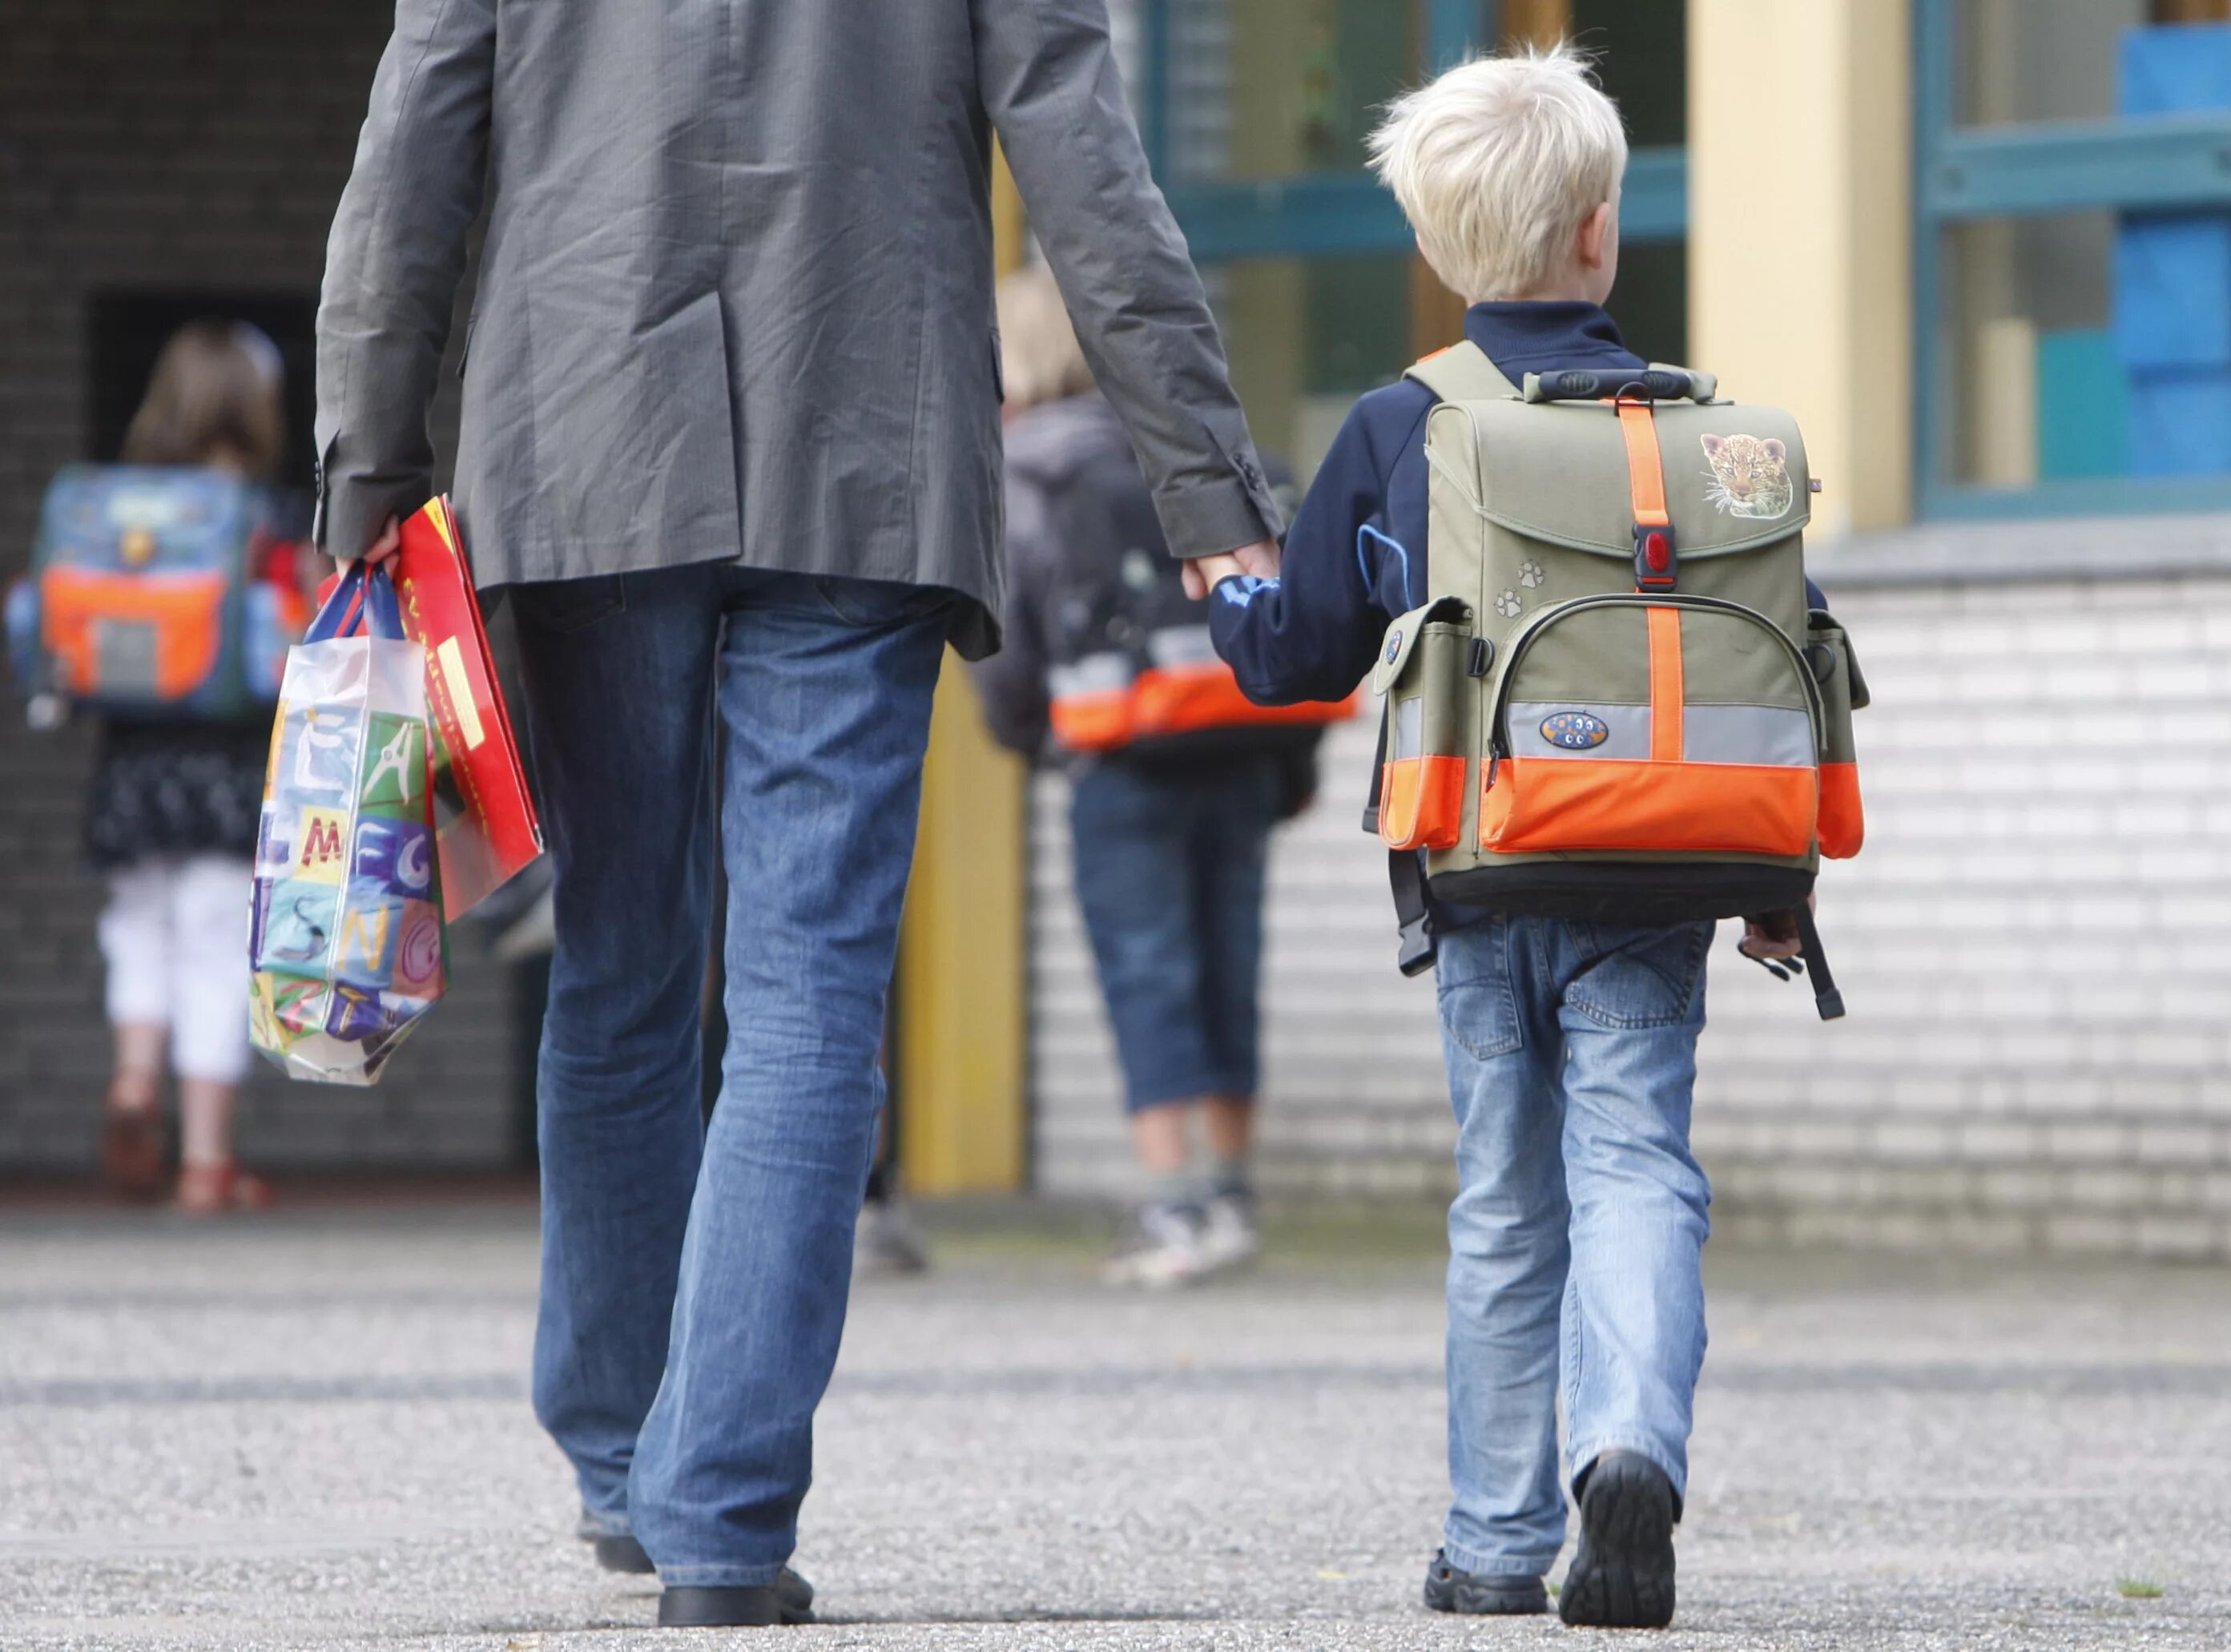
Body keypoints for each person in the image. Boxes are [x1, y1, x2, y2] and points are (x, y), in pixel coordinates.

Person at [314, 0, 1283, 1629]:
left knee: (620, 964)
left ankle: (627, 1457)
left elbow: (415, 142)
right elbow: (1082, 154)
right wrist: (1203, 479)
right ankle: (721, 1517)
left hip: (587, 429)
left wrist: (363, 469)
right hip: (867, 444)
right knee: (812, 999)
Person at [1198, 46, 1808, 1630]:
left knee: (1504, 1195)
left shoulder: (1403, 425)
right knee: (1635, 1163)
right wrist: (1776, 881)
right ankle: (1629, 1446)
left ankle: (1489, 1537)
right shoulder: (1700, 438)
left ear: (1432, 244)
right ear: (1602, 232)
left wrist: (1226, 588)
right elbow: (1780, 649)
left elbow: (1299, 657)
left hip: (1481, 868)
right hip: (1667, 870)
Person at [976, 267, 1316, 1287]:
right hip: (1239, 743)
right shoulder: (1199, 449)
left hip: (1118, 756)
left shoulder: (1024, 466)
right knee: (1227, 963)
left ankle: (1172, 1209)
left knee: (1146, 970)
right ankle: (1232, 1193)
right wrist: (1290, 757)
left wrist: (1037, 739)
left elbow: (1007, 642)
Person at [91, 321, 293, 1215]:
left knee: (137, 926)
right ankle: (207, 1162)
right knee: (216, 948)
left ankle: (136, 1077)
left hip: (131, 763)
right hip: (227, 765)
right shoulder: (266, 517)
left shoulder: (112, 512)